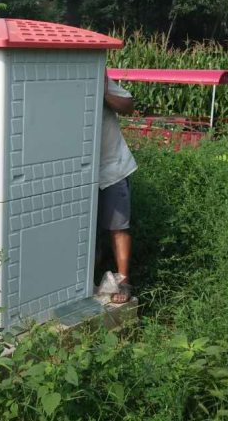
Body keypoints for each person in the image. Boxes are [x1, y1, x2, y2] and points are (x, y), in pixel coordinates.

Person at [98, 74, 137, 303]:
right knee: (84, 230)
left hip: (113, 167)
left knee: (118, 227)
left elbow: (129, 106)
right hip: (84, 171)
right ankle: (87, 280)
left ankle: (123, 282)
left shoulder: (101, 79)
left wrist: (104, 95)